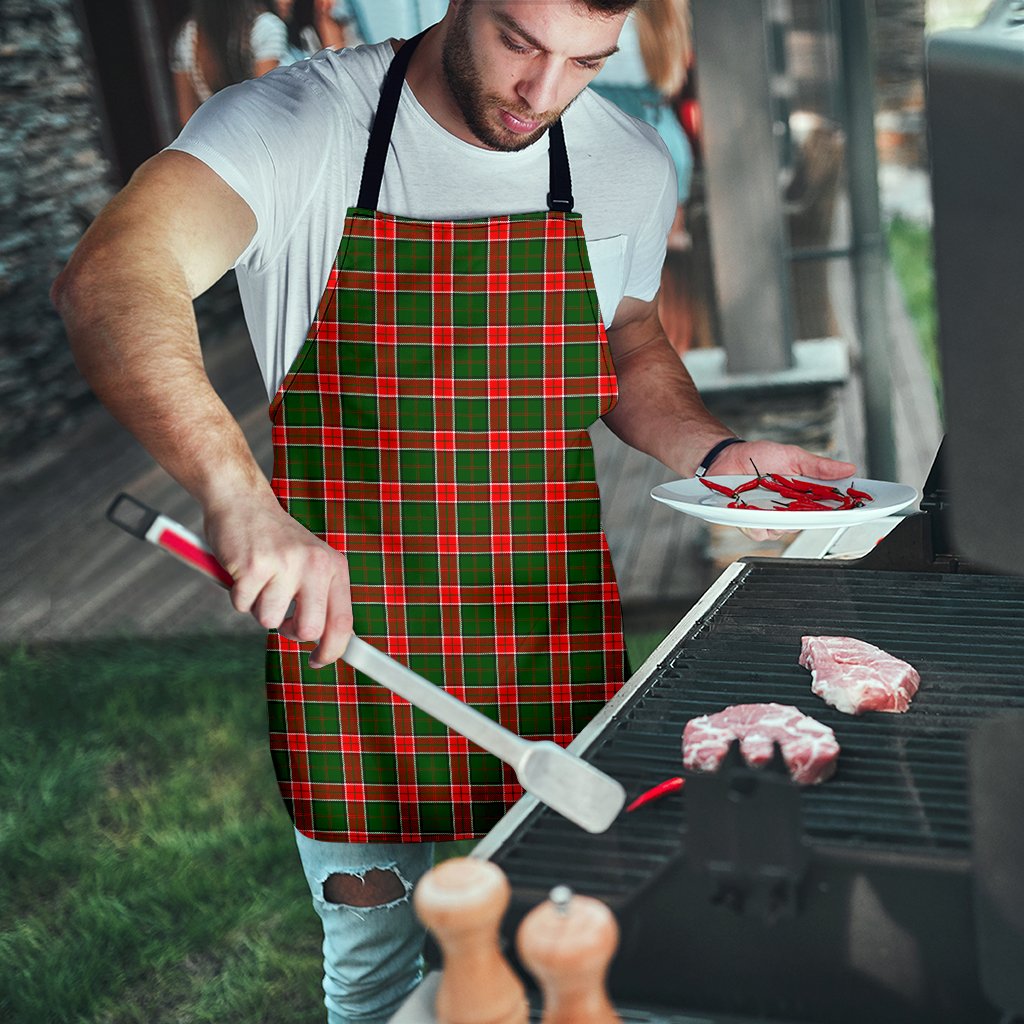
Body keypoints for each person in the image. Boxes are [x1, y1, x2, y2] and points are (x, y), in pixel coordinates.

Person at [53, 2, 855, 1020]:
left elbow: (628, 336)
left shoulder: (625, 161)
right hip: (351, 649)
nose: (543, 93)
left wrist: (718, 449)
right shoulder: (297, 125)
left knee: (568, 950)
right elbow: (112, 275)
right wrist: (237, 496)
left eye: (585, 62)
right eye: (521, 42)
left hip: (546, 633)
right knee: (379, 974)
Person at [170, 0, 289, 126]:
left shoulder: (187, 36)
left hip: (216, 138)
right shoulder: (265, 27)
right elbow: (267, 105)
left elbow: (186, 118)